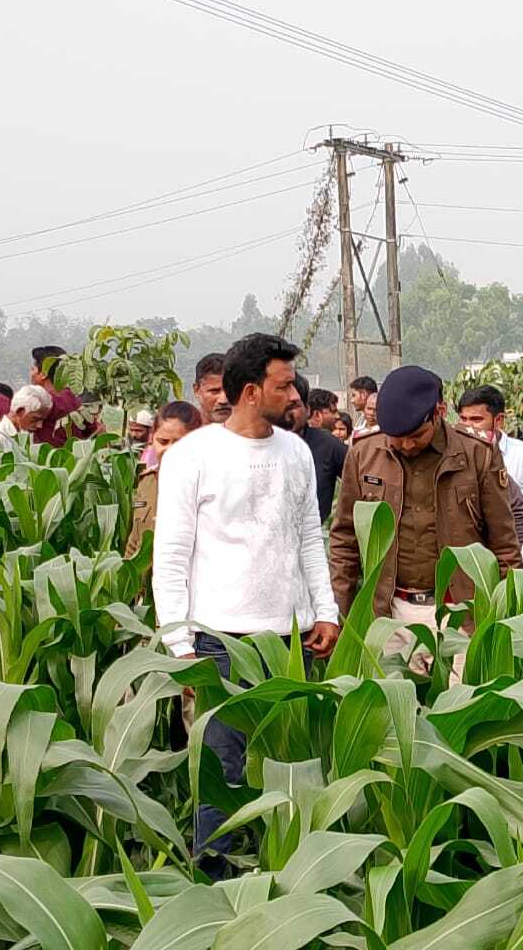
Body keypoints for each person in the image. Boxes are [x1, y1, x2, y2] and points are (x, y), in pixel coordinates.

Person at [154, 333, 340, 878]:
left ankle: (290, 885)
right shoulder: (192, 456)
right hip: (219, 644)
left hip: (289, 643)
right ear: (252, 391)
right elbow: (171, 557)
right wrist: (180, 647)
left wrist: (325, 611)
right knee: (222, 776)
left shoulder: (296, 452)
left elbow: (309, 538)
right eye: (284, 386)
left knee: (291, 770)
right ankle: (217, 890)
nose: (295, 396)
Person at [328, 366, 520, 666]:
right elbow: (344, 539)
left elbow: (504, 543)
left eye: (416, 435)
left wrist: (507, 618)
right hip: (388, 616)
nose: (406, 445)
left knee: (460, 695)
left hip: (461, 615)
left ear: (438, 413)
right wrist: (338, 613)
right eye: (397, 437)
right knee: (392, 694)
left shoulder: (476, 452)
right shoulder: (364, 453)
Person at [0, 346, 97, 447]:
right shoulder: (73, 399)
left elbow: (14, 409)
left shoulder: (50, 401)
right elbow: (94, 429)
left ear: (43, 374)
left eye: (33, 369)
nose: (31, 373)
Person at [126, 401, 203, 559]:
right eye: (162, 442)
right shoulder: (146, 482)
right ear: (152, 439)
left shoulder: (206, 487)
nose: (170, 449)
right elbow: (134, 542)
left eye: (179, 442)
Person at [457, 385, 523, 503]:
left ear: (499, 420)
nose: (468, 427)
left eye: (476, 419)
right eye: (463, 419)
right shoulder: (454, 456)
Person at [290, 373, 348, 523]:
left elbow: (358, 482)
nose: (286, 412)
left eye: (293, 405)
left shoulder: (329, 445)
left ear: (307, 409)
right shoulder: (253, 444)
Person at [0, 384, 53, 473]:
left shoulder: (27, 437)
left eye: (42, 420)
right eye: (35, 419)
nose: (39, 425)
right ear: (20, 411)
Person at [192, 353, 231, 425]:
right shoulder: (180, 430)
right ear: (196, 390)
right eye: (215, 391)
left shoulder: (251, 429)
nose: (223, 400)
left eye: (230, 390)